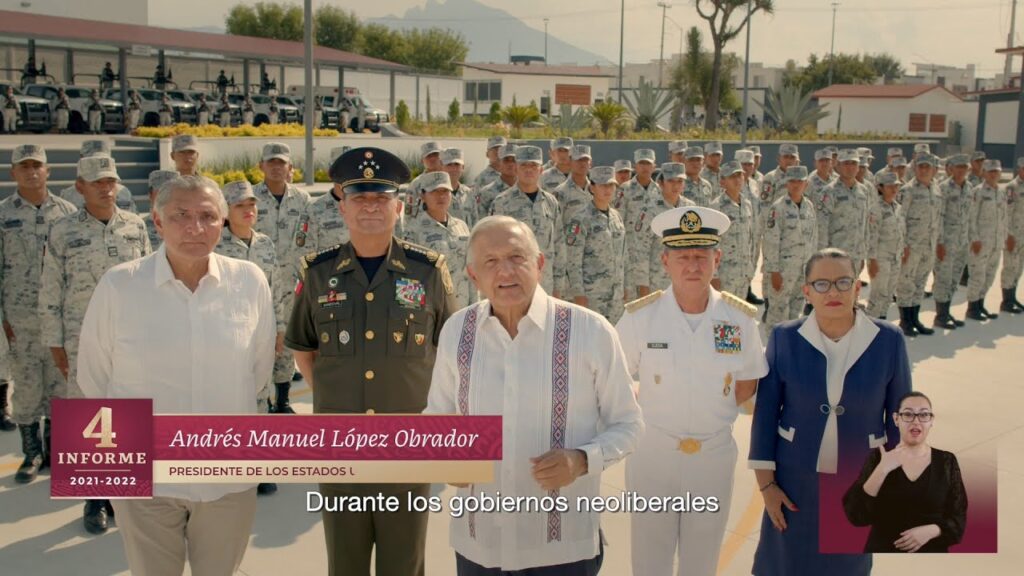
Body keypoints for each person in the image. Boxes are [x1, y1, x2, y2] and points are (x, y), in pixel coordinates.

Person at [77, 174, 275, 575]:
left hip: (227, 477)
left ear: (222, 222)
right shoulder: (120, 285)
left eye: (207, 216)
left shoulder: (249, 280)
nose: (195, 227)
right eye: (181, 215)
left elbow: (257, 372)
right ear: (157, 221)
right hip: (145, 480)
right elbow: (94, 379)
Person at [425, 215, 642, 575]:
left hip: (561, 549)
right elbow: (437, 419)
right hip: (479, 545)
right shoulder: (456, 332)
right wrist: (446, 458)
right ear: (473, 275)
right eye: (490, 262)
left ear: (539, 264)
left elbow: (629, 424)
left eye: (516, 257)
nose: (505, 271)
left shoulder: (591, 331)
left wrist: (581, 460)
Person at [286, 147, 456, 576]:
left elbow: (452, 351)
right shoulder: (319, 273)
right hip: (340, 447)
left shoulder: (428, 271)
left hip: (408, 445)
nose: (370, 208)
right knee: (345, 564)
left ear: (399, 208)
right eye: (360, 199)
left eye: (381, 200)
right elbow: (304, 350)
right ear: (342, 207)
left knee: (404, 564)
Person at [617, 206, 767, 576]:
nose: (693, 266)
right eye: (683, 256)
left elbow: (748, 380)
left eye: (701, 256)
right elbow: (615, 377)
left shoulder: (738, 320)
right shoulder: (640, 317)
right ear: (665, 261)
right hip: (654, 455)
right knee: (650, 559)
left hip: (712, 457)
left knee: (702, 559)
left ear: (717, 259)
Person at [749, 248, 912, 575]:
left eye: (842, 282)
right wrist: (767, 488)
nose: (833, 291)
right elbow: (765, 417)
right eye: (821, 284)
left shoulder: (888, 340)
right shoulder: (784, 337)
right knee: (787, 563)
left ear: (857, 287)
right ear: (806, 291)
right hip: (794, 482)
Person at [39, 155, 151, 535]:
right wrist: (54, 341)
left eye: (111, 181)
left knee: (129, 412)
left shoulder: (135, 225)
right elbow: (51, 286)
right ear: (80, 186)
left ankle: (124, 494)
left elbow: (150, 280)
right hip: (81, 336)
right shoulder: (62, 230)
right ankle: (94, 498)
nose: (106, 188)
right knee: (88, 417)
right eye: (97, 182)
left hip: (130, 335)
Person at [1, 145, 78, 484]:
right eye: (24, 166)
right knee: (28, 384)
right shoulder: (2, 215)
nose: (32, 172)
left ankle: (58, 450)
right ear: (13, 173)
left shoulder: (68, 213)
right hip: (20, 317)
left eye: (37, 166)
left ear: (48, 172)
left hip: (60, 316)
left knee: (62, 384)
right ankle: (31, 452)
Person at [842, 391, 968, 553]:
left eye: (923, 415)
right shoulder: (879, 458)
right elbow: (856, 515)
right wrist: (882, 469)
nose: (916, 421)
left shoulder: (947, 461)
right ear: (896, 419)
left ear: (931, 421)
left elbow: (958, 518)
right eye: (908, 414)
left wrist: (931, 530)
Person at [254, 143, 312, 412]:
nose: (277, 167)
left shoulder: (302, 200)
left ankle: (283, 397)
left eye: (282, 163)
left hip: (292, 282)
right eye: (271, 162)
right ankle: (261, 396)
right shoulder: (251, 199)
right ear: (261, 166)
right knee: (259, 340)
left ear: (290, 168)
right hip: (258, 283)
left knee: (288, 339)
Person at [490, 145, 565, 296]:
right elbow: (494, 245)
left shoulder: (550, 202)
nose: (529, 170)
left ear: (541, 170)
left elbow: (559, 243)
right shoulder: (502, 203)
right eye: (524, 165)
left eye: (534, 165)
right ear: (516, 169)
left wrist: (559, 285)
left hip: (546, 282)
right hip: (513, 281)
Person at [403, 171, 476, 309]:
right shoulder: (413, 230)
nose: (441, 196)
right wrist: (412, 314)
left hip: (462, 307)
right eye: (434, 191)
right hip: (432, 309)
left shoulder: (462, 226)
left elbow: (470, 268)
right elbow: (407, 273)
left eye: (445, 191)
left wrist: (475, 305)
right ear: (423, 196)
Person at [564, 166, 627, 323]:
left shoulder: (616, 217)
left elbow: (623, 255)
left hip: (616, 296)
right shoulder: (580, 218)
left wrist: (627, 286)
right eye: (603, 185)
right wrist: (578, 293)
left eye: (611, 185)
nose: (608, 190)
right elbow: (573, 261)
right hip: (592, 296)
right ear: (592, 187)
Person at [627, 163, 696, 300]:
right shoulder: (649, 209)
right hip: (657, 282)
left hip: (685, 278)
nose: (676, 186)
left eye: (680, 181)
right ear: (660, 183)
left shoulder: (690, 208)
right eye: (671, 181)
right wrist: (643, 286)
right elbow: (640, 251)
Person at [762, 167, 818, 327]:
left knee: (796, 312)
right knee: (778, 313)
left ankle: (791, 346)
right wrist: (773, 271)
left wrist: (812, 269)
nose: (796, 185)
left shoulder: (809, 207)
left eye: (800, 181)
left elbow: (813, 238)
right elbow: (771, 241)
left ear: (806, 184)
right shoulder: (777, 208)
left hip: (803, 269)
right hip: (783, 270)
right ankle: (774, 346)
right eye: (792, 181)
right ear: (786, 184)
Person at [895, 155, 942, 336]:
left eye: (927, 167)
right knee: (906, 281)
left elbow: (938, 218)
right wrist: (903, 245)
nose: (924, 170)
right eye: (920, 167)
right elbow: (900, 219)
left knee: (920, 282)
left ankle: (915, 318)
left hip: (928, 245)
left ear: (933, 170)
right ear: (914, 169)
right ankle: (905, 321)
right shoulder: (907, 191)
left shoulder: (936, 190)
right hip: (911, 245)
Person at [932, 154, 973, 329]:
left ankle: (947, 312)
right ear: (950, 169)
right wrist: (939, 243)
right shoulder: (943, 188)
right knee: (943, 278)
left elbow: (970, 215)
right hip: (946, 242)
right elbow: (938, 217)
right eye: (958, 167)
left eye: (965, 167)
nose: (962, 170)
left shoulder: (969, 187)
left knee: (955, 278)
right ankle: (940, 316)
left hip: (962, 242)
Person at [965, 159, 1009, 321]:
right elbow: (971, 218)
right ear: (984, 173)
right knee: (977, 275)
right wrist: (975, 239)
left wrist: (1003, 238)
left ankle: (981, 304)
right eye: (990, 171)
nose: (993, 174)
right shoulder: (978, 192)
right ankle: (972, 307)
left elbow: (1004, 218)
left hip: (996, 242)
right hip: (981, 242)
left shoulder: (1002, 192)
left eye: (996, 171)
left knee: (989, 275)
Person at [865, 173, 906, 320]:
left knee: (888, 294)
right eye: (890, 186)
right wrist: (872, 260)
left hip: (895, 257)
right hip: (881, 258)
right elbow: (872, 236)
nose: (894, 189)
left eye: (896, 186)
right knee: (878, 293)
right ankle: (869, 326)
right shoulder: (876, 209)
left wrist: (902, 251)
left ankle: (882, 323)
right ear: (880, 188)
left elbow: (902, 232)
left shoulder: (898, 207)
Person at [713, 161, 756, 298]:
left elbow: (751, 239)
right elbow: (711, 244)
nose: (737, 179)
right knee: (722, 317)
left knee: (739, 315)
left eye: (740, 175)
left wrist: (750, 268)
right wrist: (714, 275)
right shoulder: (716, 207)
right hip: (725, 274)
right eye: (732, 177)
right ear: (722, 182)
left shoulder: (747, 204)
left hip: (744, 273)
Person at [1001, 157, 1024, 313]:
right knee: (1010, 266)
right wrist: (1008, 236)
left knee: (1018, 267)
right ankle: (1006, 301)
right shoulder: (1012, 187)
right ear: (1019, 169)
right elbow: (1006, 214)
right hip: (1013, 235)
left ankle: (1013, 296)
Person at [475, 143, 517, 218]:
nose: (510, 164)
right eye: (506, 160)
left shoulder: (527, 190)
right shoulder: (486, 193)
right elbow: (481, 222)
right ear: (499, 163)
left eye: (514, 160)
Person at [552, 144, 593, 221]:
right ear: (570, 162)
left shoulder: (597, 190)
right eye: (578, 160)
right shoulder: (560, 192)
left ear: (590, 163)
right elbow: (557, 224)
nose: (582, 163)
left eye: (585, 160)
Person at [441, 147, 477, 227]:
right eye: (449, 165)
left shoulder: (469, 194)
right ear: (442, 167)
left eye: (457, 164)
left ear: (463, 167)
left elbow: (475, 222)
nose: (453, 169)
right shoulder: (435, 193)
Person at [144, 170, 178, 248]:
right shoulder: (139, 227)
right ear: (150, 195)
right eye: (161, 193)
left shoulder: (188, 225)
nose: (166, 198)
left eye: (170, 194)